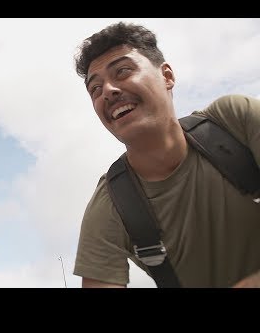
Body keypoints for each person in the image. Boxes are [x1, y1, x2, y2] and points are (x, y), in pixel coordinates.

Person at [72, 22, 260, 288]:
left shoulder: (234, 121)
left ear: (167, 76)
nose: (108, 91)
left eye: (123, 71)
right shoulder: (111, 204)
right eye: (95, 89)